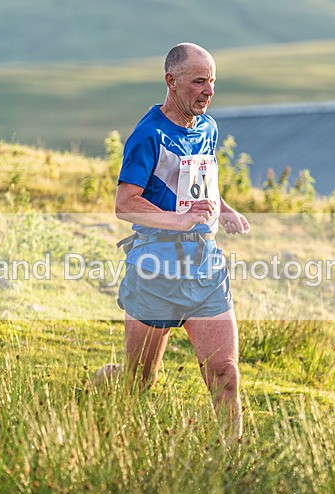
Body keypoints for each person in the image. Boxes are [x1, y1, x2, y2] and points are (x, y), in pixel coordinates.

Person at [94, 43, 250, 441]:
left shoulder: (208, 129)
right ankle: (100, 388)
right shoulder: (148, 135)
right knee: (137, 383)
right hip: (155, 271)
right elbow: (125, 204)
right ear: (171, 81)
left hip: (204, 269)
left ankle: (233, 460)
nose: (208, 91)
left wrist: (223, 209)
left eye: (212, 81)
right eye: (198, 81)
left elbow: (199, 187)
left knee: (225, 375)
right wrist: (179, 221)